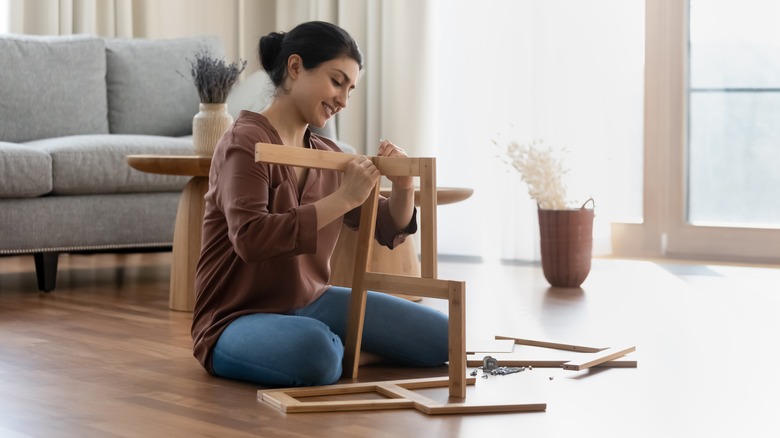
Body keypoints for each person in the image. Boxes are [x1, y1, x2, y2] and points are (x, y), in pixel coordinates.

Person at [191, 21, 449, 387]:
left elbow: (386, 228)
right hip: (236, 317)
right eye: (337, 81)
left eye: (351, 89)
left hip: (312, 300)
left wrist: (404, 187)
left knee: (444, 336)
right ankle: (337, 349)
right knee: (316, 354)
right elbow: (251, 238)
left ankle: (338, 349)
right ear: (295, 68)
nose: (344, 100)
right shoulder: (244, 142)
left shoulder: (329, 155)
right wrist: (343, 198)